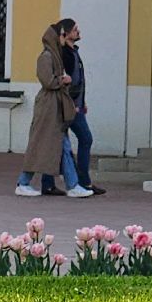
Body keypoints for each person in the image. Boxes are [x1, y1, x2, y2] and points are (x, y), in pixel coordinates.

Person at [16, 20, 93, 199]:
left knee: (62, 146)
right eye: (61, 35)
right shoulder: (46, 57)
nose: (63, 38)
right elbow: (47, 81)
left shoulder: (55, 56)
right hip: (48, 108)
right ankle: (24, 182)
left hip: (56, 106)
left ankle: (72, 185)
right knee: (42, 146)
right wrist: (63, 80)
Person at [40, 20, 105, 196]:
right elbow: (65, 82)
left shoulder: (72, 52)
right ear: (67, 33)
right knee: (83, 139)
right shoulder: (65, 55)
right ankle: (82, 182)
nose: (78, 32)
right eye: (75, 30)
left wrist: (82, 102)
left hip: (75, 105)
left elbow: (77, 80)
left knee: (58, 142)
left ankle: (49, 183)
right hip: (69, 107)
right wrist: (73, 103)